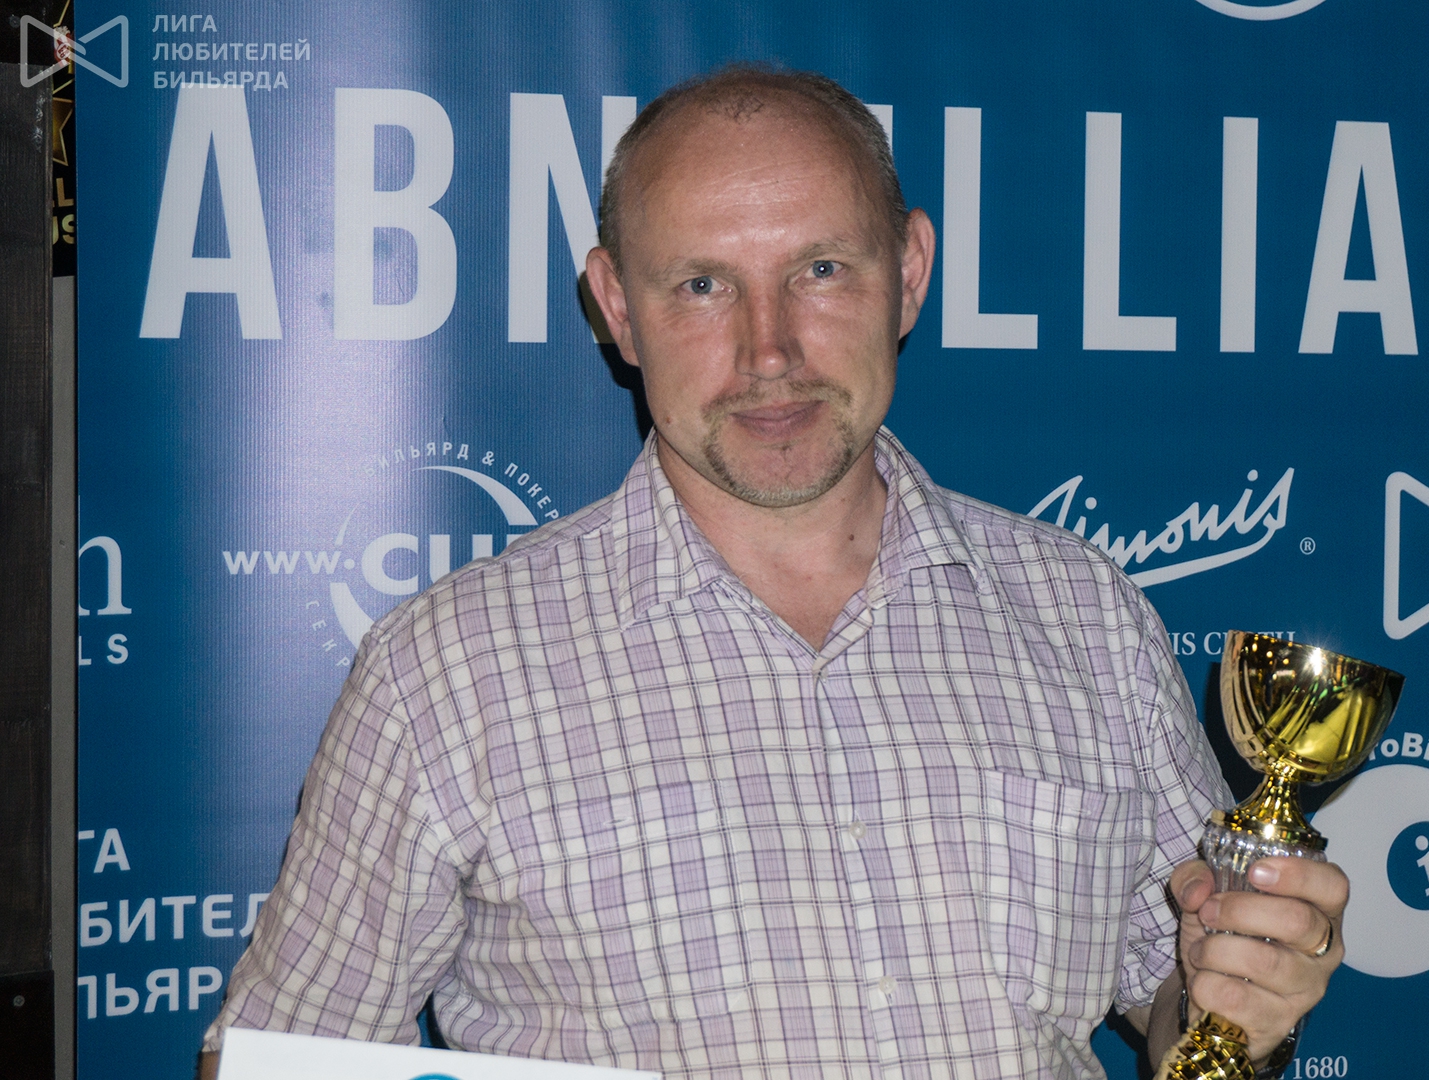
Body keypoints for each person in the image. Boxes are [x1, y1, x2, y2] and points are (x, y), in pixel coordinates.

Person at [201, 66, 1350, 1079]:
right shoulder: (447, 672)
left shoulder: (1085, 614)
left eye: (821, 269)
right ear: (618, 308)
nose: (770, 351)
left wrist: (1244, 999)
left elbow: (1181, 1007)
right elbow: (284, 1057)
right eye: (702, 285)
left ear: (909, 272)